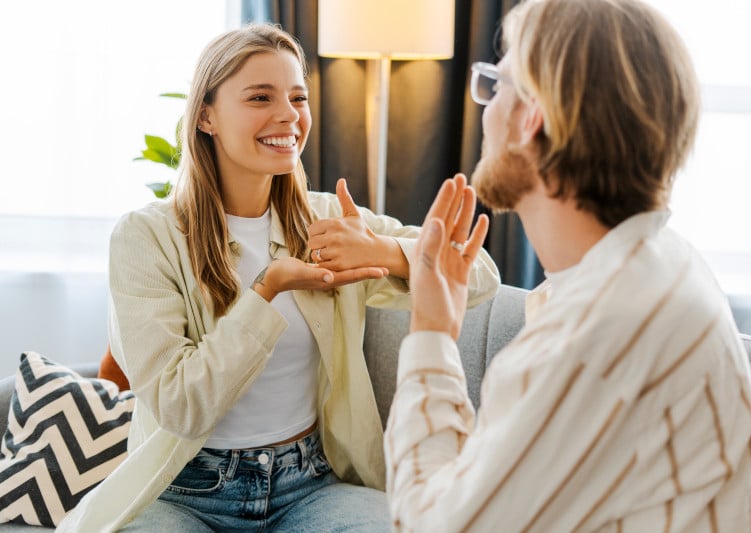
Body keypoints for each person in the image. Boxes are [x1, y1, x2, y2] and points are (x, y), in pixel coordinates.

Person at [56, 24, 500, 532]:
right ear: (205, 116)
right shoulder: (146, 237)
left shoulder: (325, 218)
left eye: (298, 97)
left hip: (309, 485)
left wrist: (383, 251)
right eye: (260, 97)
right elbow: (181, 406)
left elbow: (478, 274)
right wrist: (267, 289)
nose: (288, 115)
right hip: (183, 493)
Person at [384, 0, 751, 531]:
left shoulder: (598, 336)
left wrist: (431, 332)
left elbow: (430, 525)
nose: (486, 107)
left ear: (531, 119)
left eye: (496, 85)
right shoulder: (658, 263)